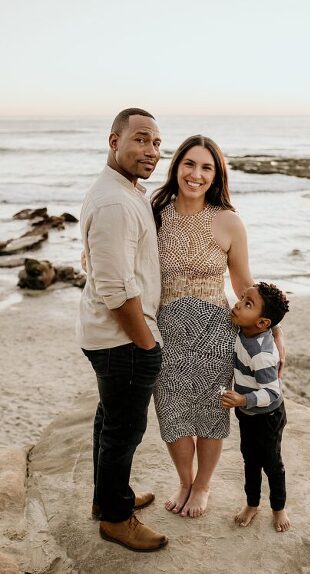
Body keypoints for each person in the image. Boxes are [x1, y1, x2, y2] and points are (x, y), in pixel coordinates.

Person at [150, 135, 285, 518]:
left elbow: (244, 285)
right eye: (189, 164)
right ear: (177, 166)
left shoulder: (228, 221)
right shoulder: (154, 212)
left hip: (216, 332)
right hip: (167, 331)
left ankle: (203, 485)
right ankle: (185, 481)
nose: (196, 174)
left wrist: (274, 333)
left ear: (216, 175)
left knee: (211, 412)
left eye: (206, 167)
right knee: (171, 411)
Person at [78, 108, 168, 552]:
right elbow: (116, 289)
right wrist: (146, 344)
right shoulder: (115, 202)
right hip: (123, 339)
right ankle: (116, 518)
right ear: (114, 141)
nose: (151, 150)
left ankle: (107, 498)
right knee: (123, 430)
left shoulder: (124, 191)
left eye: (156, 142)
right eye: (141, 139)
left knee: (109, 422)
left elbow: (100, 264)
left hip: (111, 336)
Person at [221, 281, 291, 532]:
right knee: (250, 460)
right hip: (248, 415)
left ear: (262, 323)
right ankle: (252, 503)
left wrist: (243, 400)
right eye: (242, 298)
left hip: (268, 416)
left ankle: (278, 508)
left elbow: (271, 392)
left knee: (272, 465)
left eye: (248, 304)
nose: (238, 304)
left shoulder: (262, 354)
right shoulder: (243, 328)